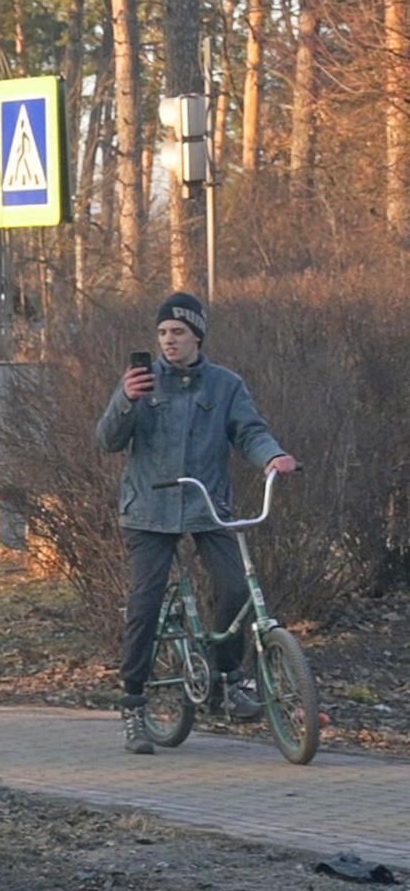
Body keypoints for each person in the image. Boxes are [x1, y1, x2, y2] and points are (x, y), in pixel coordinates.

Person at [95, 292, 297, 755]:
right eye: (163, 333)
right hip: (148, 510)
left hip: (208, 508)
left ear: (197, 337)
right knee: (144, 607)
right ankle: (134, 706)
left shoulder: (225, 385)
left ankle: (229, 677)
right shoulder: (140, 382)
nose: (169, 341)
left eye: (178, 333)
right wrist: (126, 400)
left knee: (235, 589)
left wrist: (274, 457)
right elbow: (106, 440)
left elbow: (250, 431)